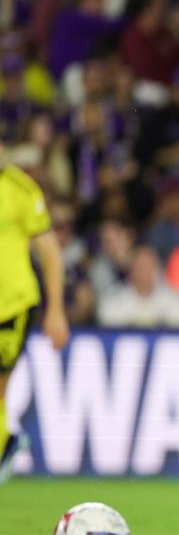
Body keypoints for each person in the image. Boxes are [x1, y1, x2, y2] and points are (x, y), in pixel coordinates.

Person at [0, 157, 70, 483]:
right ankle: (7, 442)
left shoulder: (20, 189)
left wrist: (55, 309)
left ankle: (5, 444)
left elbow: (49, 251)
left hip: (10, 305)